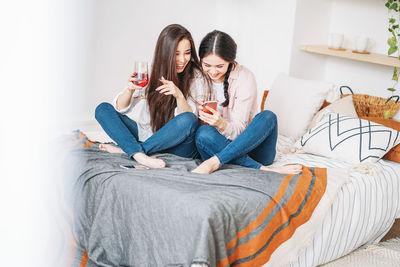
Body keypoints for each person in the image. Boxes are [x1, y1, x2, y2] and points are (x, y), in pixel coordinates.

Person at [95, 24, 209, 169]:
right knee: (103, 109)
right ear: (165, 53)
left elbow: (188, 123)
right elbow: (122, 108)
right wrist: (129, 90)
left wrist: (179, 95)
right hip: (147, 135)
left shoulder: (197, 77)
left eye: (187, 53)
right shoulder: (151, 70)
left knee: (189, 118)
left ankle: (130, 151)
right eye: (176, 53)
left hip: (178, 146)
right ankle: (140, 154)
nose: (182, 59)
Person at [192, 30, 302, 175]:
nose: (212, 71)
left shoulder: (245, 78)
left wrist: (221, 124)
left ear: (230, 61)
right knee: (203, 133)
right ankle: (262, 169)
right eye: (207, 65)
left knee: (268, 116)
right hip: (217, 146)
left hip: (253, 150)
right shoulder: (196, 77)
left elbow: (239, 130)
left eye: (219, 66)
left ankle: (215, 162)